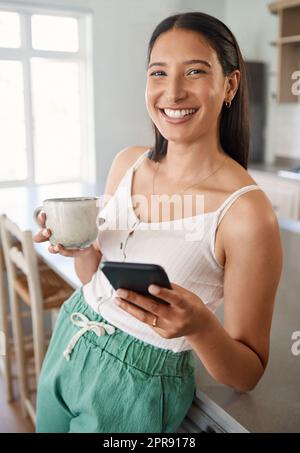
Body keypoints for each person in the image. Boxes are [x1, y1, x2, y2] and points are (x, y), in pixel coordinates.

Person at [33, 12, 282, 433]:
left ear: (230, 85)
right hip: (71, 341)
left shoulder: (246, 214)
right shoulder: (126, 162)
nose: (173, 91)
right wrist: (83, 249)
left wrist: (202, 326)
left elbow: (248, 373)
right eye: (158, 73)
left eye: (196, 71)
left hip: (134, 389)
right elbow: (93, 280)